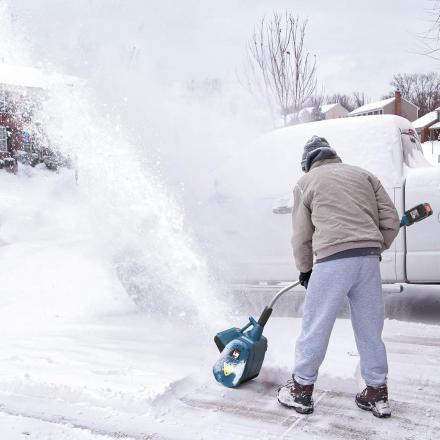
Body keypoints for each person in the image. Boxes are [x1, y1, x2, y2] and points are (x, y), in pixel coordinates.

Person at [277, 136, 400, 418]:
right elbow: (391, 219)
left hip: (332, 261)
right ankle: (377, 393)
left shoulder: (305, 183)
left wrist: (305, 269)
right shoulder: (364, 175)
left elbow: (301, 237)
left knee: (316, 324)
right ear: (333, 155)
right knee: (370, 328)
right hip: (368, 260)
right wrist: (375, 245)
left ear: (308, 161)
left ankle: (301, 390)